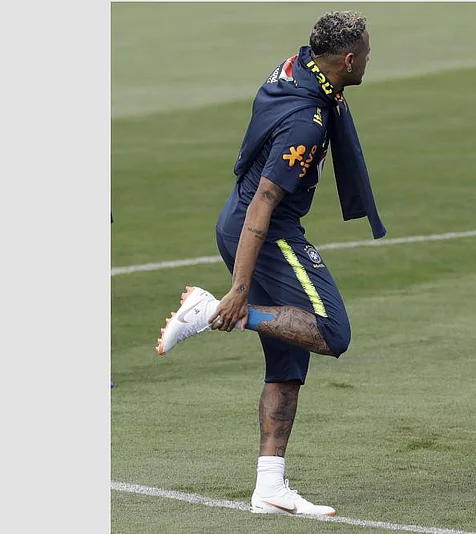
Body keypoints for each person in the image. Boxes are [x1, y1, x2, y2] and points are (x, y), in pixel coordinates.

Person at [155, 10, 385, 517]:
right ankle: (210, 312)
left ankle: (269, 489)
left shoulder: (298, 68)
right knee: (331, 330)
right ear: (349, 60)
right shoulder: (307, 121)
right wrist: (239, 292)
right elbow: (264, 201)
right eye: (367, 53)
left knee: (288, 359)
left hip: (237, 221)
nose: (371, 59)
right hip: (263, 231)